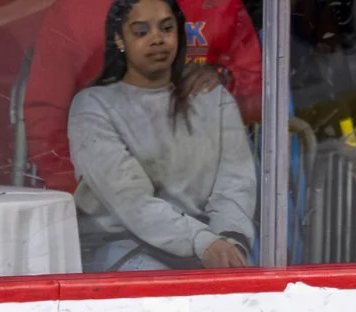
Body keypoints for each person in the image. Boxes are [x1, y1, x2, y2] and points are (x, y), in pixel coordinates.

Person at [67, 0, 255, 270]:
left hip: (207, 244)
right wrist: (203, 242)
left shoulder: (213, 97)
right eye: (141, 32)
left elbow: (235, 181)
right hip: (120, 246)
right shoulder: (92, 105)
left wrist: (230, 240)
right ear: (119, 39)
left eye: (166, 29)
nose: (157, 39)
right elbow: (131, 200)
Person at [24, 0, 260, 191]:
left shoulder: (219, 5)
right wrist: (75, 188)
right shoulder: (75, 10)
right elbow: (47, 111)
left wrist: (225, 77)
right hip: (109, 178)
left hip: (206, 179)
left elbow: (263, 95)